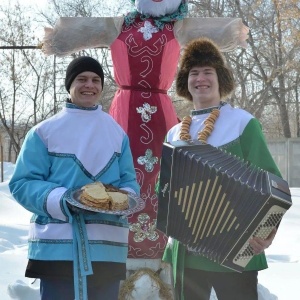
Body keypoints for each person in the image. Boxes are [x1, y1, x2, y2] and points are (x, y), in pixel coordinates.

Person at [42, 0, 249, 259]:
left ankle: (164, 247)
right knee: (117, 169)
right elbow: (83, 28)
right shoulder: (119, 24)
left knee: (164, 174)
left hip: (161, 112)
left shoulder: (178, 25)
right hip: (123, 110)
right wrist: (57, 38)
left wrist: (234, 30)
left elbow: (213, 29)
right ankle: (113, 243)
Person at [9, 56, 140, 300]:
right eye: (81, 79)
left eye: (95, 80)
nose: (89, 85)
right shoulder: (44, 132)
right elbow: (22, 183)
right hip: (58, 248)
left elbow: (128, 181)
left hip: (107, 247)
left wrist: (126, 199)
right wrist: (63, 200)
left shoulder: (117, 134)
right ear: (69, 85)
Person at [162, 38, 280, 300]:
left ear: (220, 78)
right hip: (186, 252)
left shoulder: (242, 123)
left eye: (208, 72)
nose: (200, 79)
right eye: (194, 72)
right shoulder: (173, 133)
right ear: (185, 82)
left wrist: (266, 232)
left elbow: (274, 184)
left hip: (238, 250)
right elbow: (165, 190)